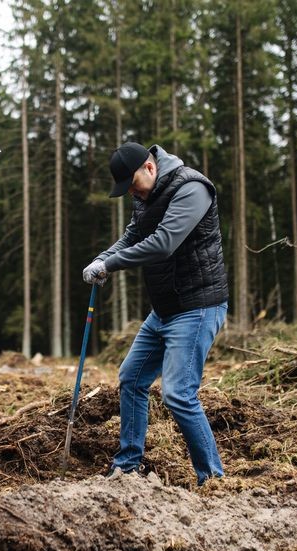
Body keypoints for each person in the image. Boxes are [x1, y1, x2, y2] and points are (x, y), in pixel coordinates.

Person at [83, 142, 229, 486]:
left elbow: (164, 242)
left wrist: (112, 264)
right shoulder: (147, 194)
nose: (132, 192)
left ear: (150, 168)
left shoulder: (192, 188)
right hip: (164, 310)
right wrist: (101, 259)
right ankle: (128, 465)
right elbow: (134, 234)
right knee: (131, 378)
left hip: (197, 307)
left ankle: (214, 478)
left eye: (133, 184)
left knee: (178, 393)